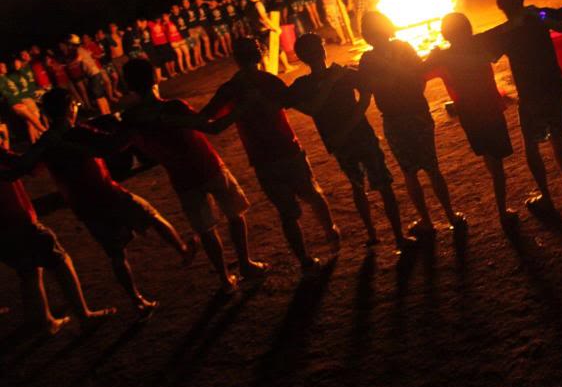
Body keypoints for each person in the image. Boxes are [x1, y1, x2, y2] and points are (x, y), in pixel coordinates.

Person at [14, 88, 199, 317]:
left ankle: (137, 300)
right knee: (150, 215)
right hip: (107, 192)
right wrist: (131, 125)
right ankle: (182, 250)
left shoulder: (47, 142)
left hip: (82, 204)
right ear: (70, 107)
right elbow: (111, 146)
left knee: (115, 254)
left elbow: (29, 168)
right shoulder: (77, 133)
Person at [176, 38, 341, 271]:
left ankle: (304, 259)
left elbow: (206, 119)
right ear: (261, 55)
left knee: (287, 212)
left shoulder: (230, 89)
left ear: (236, 58)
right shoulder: (269, 81)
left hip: (262, 158)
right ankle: (331, 232)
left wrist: (175, 120)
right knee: (312, 193)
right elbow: (297, 103)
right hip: (288, 148)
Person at [120, 58, 266, 295]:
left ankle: (224, 279)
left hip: (182, 178)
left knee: (206, 228)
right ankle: (245, 263)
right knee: (235, 214)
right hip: (208, 166)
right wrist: (241, 108)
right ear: (155, 77)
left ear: (129, 85)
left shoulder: (131, 119)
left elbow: (118, 146)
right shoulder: (173, 107)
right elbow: (212, 126)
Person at [287, 34, 413, 253]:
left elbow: (309, 106)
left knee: (358, 186)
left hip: (341, 142)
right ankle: (398, 236)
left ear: (301, 57)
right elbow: (364, 96)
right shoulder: (338, 75)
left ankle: (373, 234)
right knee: (382, 185)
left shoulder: (306, 84)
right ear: (323, 50)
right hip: (360, 136)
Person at [358, 12, 465, 238]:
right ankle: (451, 216)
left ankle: (427, 222)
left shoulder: (368, 60)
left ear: (366, 34)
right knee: (432, 167)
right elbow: (420, 77)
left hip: (395, 119)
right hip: (418, 113)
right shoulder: (404, 47)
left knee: (410, 172)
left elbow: (368, 90)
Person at [0, 137, 116, 334]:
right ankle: (84, 316)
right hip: (16, 217)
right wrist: (47, 147)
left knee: (28, 269)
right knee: (59, 259)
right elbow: (29, 166)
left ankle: (42, 320)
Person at [480, 0, 562, 212]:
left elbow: (489, 54)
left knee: (532, 144)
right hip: (554, 85)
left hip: (531, 94)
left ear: (501, 7)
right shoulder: (536, 19)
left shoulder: (507, 32)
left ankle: (545, 194)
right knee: (557, 136)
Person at [425, 13, 516, 225]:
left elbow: (420, 73)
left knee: (488, 154)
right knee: (497, 162)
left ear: (445, 34)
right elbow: (498, 42)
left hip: (470, 116)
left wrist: (432, 55)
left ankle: (502, 205)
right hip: (490, 110)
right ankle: (503, 210)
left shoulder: (443, 58)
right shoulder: (480, 47)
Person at [0, 61, 46, 142]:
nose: (5, 67)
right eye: (2, 66)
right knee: (34, 120)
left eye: (4, 66)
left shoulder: (5, 77)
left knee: (31, 122)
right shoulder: (1, 79)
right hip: (15, 103)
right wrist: (11, 98)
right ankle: (50, 137)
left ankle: (37, 142)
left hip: (18, 101)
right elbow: (3, 92)